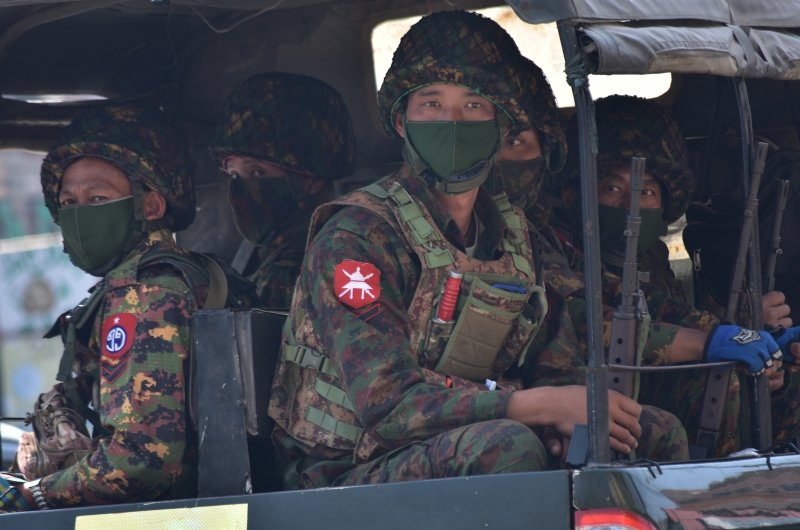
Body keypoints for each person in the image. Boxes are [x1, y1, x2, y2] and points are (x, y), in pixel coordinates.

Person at [267, 10, 688, 491]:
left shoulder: (513, 234)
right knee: (507, 446)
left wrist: (561, 416)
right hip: (346, 468)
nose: (451, 123)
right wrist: (535, 408)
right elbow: (388, 409)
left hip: (461, 440)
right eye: (430, 104)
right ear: (402, 122)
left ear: (498, 125)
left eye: (472, 107)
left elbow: (555, 361)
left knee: (650, 432)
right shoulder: (359, 236)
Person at [513, 95, 796, 456]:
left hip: (651, 380)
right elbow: (585, 321)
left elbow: (667, 311)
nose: (628, 203)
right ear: (573, 192)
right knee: (723, 380)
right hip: (581, 385)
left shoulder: (653, 259)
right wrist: (713, 340)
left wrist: (756, 335)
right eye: (612, 188)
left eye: (645, 191)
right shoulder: (549, 246)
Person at [0, 104, 248, 511]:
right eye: (69, 201)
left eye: (98, 198)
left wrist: (33, 496)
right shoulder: (196, 275)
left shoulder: (145, 295)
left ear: (150, 206)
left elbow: (140, 461)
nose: (80, 214)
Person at [209, 72, 357, 309]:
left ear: (310, 180)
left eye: (258, 172)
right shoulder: (342, 240)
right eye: (234, 174)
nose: (239, 189)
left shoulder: (294, 270)